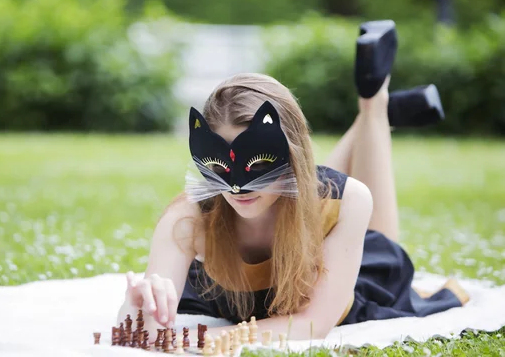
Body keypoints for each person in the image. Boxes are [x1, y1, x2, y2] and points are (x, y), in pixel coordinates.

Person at [116, 71, 469, 342]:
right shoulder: (189, 217)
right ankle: (372, 119)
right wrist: (139, 307)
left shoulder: (348, 201)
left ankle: (374, 108)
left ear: (291, 154)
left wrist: (214, 339)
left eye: (257, 166)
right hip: (258, 276)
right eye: (221, 166)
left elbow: (312, 324)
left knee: (350, 204)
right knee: (318, 195)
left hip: (341, 279)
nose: (238, 186)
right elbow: (143, 328)